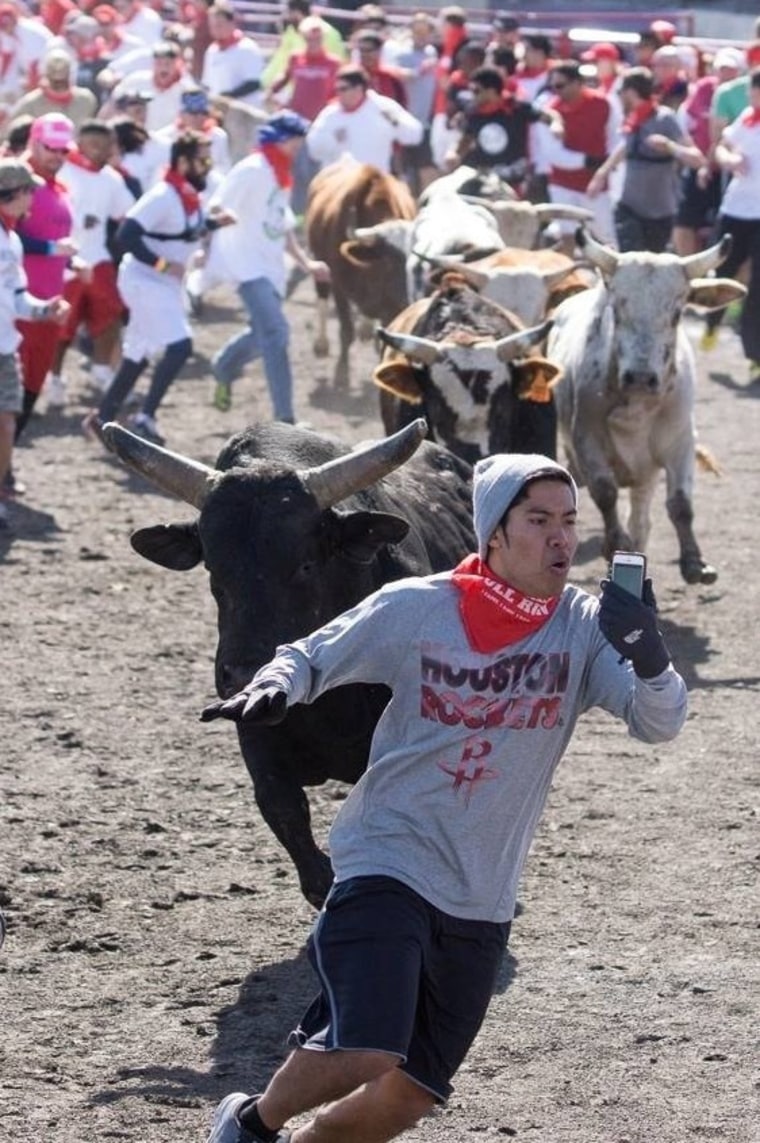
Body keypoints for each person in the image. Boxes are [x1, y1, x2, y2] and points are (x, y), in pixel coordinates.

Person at [200, 451, 687, 1143]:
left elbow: (658, 720)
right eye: (539, 519)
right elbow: (309, 653)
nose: (560, 537)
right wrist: (280, 683)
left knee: (409, 1094)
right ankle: (250, 1121)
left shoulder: (583, 625)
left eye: (570, 521)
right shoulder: (423, 606)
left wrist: (650, 655)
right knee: (367, 1046)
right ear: (492, 533)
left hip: (482, 894)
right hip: (387, 860)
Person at [81, 130, 234, 445]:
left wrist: (217, 223)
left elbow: (184, 232)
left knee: (138, 353)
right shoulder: (163, 195)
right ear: (182, 161)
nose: (208, 165)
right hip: (145, 280)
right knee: (180, 346)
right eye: (202, 158)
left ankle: (103, 418)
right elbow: (127, 235)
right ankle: (145, 417)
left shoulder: (187, 194)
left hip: (161, 283)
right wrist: (163, 265)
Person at [208, 110, 329, 421]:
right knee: (276, 333)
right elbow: (217, 204)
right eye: (294, 142)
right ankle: (285, 419)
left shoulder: (281, 175)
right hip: (246, 267)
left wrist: (306, 263)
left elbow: (282, 224)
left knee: (262, 333)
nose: (298, 149)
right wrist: (212, 233)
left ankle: (223, 365)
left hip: (273, 267)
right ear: (278, 139)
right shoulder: (251, 169)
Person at [0, 158, 69, 529]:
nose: (33, 199)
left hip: (5, 347)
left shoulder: (11, 241)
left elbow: (17, 296)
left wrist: (46, 310)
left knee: (7, 424)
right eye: (29, 191)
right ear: (14, 193)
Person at [588, 67, 703, 254]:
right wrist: (601, 174)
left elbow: (696, 159)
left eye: (621, 92)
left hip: (659, 210)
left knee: (652, 260)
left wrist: (669, 146)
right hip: (629, 205)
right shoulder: (633, 120)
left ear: (631, 92)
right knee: (629, 257)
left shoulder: (664, 119)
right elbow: (626, 147)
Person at [708, 66, 760, 383]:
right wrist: (729, 160)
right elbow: (721, 146)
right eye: (753, 94)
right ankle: (712, 323)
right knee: (724, 271)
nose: (755, 99)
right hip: (736, 209)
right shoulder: (747, 119)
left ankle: (755, 354)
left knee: (759, 286)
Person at [305, 64, 423, 174]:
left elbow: (415, 135)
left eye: (343, 89)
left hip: (374, 183)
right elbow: (313, 150)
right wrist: (332, 139)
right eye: (337, 89)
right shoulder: (330, 114)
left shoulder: (383, 107)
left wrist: (396, 122)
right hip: (339, 184)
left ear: (359, 88)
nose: (338, 94)